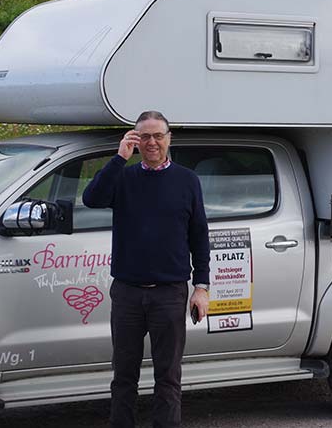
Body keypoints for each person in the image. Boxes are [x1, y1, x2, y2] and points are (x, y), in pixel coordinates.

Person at [83, 110, 210, 428]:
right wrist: (118, 159)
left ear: (169, 139)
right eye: (144, 136)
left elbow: (199, 235)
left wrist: (202, 287)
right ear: (134, 141)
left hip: (169, 293)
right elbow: (92, 198)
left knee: (168, 376)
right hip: (127, 293)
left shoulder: (187, 181)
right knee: (124, 375)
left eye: (158, 135)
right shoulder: (123, 178)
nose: (151, 142)